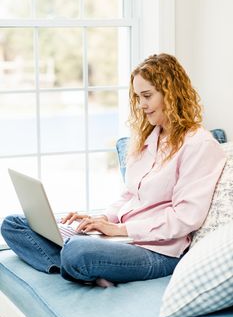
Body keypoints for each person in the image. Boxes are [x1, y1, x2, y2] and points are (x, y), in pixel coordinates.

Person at [1, 53, 226, 288]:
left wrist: (119, 229)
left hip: (158, 251)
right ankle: (83, 269)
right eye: (138, 97)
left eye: (147, 96)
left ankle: (80, 264)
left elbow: (185, 218)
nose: (142, 105)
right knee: (13, 224)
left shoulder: (198, 144)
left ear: (172, 93)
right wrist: (102, 219)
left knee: (77, 251)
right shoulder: (149, 138)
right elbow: (129, 195)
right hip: (122, 238)